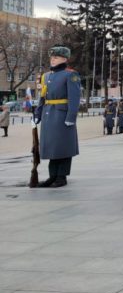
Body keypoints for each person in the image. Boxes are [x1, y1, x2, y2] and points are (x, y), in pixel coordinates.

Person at [33, 45, 80, 188]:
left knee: (63, 147)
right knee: (52, 147)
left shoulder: (70, 75)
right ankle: (52, 176)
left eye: (56, 57)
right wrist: (37, 115)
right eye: (52, 57)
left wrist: (71, 117)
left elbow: (74, 98)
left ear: (64, 58)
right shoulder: (46, 76)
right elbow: (42, 98)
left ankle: (61, 176)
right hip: (48, 115)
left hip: (61, 114)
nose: (52, 60)